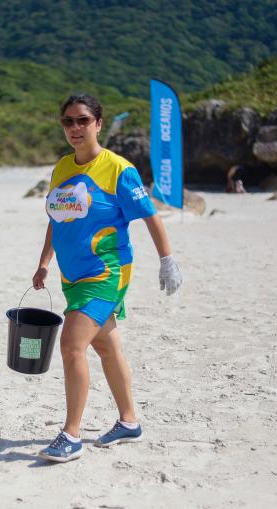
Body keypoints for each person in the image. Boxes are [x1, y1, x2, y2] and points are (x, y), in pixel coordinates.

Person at [32, 93, 182, 463]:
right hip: (73, 274)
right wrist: (44, 262)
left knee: (71, 345)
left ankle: (71, 434)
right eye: (68, 121)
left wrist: (167, 260)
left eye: (83, 120)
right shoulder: (62, 168)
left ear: (99, 123)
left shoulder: (117, 169)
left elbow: (150, 215)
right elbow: (58, 218)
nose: (75, 128)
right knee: (105, 346)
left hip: (105, 272)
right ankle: (129, 421)